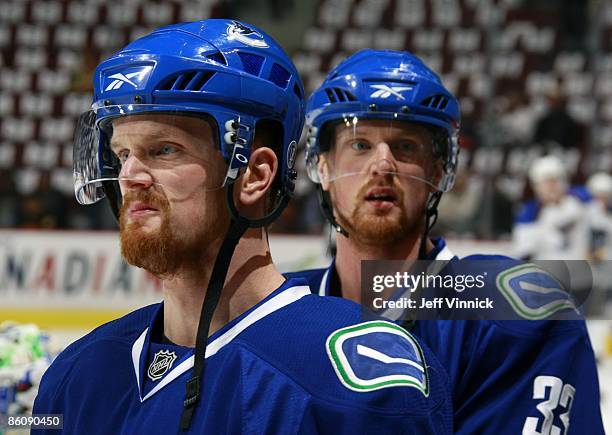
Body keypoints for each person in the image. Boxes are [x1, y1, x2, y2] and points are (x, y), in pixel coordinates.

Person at [32, 21, 453, 434]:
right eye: (122, 154)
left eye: (164, 150)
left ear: (254, 175)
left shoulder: (354, 380)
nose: (130, 176)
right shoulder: (76, 375)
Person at [288, 49, 604, 434]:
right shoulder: (280, 311)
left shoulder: (513, 317)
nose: (382, 165)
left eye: (405, 146)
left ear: (439, 172)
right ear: (322, 167)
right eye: (360, 145)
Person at [513, 155, 591, 260]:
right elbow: (524, 253)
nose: (551, 187)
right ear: (536, 186)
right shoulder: (530, 214)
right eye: (545, 183)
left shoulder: (579, 201)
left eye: (554, 181)